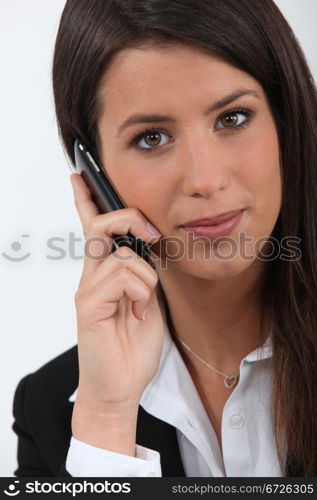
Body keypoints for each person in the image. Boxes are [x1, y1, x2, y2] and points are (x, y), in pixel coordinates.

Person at [12, 0, 317, 477]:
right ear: (94, 178)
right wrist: (108, 420)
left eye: (233, 118)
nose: (206, 180)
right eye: (152, 137)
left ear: (286, 121)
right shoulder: (55, 412)